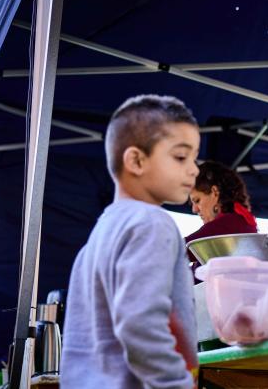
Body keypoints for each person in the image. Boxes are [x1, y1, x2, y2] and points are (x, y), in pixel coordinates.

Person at [61, 95, 201, 388]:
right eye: (180, 157)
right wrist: (176, 384)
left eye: (194, 157)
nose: (194, 169)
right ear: (136, 160)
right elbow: (141, 323)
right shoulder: (151, 223)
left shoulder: (99, 236)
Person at [185, 161, 257, 272]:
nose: (194, 209)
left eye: (197, 200)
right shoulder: (241, 221)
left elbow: (174, 251)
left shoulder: (229, 224)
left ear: (214, 192)